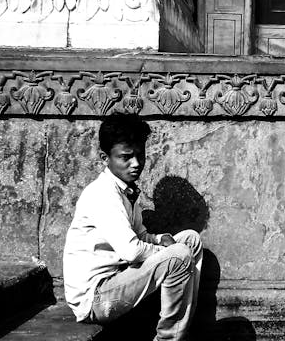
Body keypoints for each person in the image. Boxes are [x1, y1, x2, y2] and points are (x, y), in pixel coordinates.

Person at [63, 115, 203, 340]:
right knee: (178, 255)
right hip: (96, 298)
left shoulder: (127, 191)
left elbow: (140, 236)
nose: (136, 164)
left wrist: (158, 239)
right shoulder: (102, 194)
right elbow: (132, 251)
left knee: (190, 240)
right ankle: (169, 338)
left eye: (140, 155)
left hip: (118, 280)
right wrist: (166, 251)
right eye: (126, 157)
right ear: (104, 157)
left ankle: (181, 326)